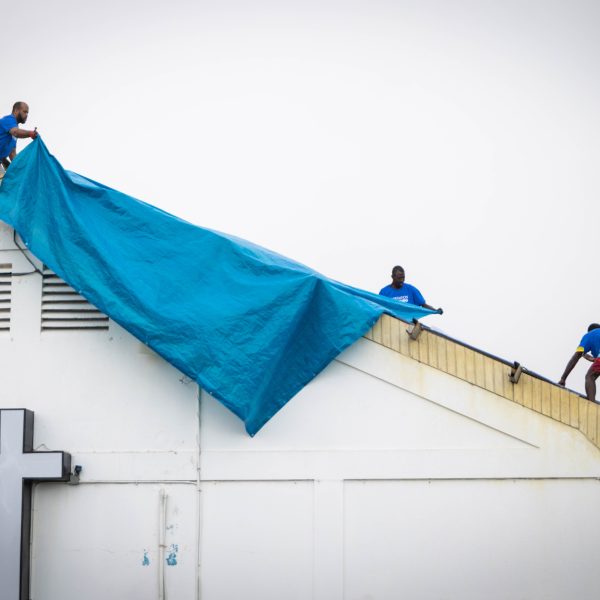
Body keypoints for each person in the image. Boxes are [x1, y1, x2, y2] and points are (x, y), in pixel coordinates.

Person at [559, 323, 600, 402]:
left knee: (590, 377)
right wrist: (592, 358)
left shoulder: (589, 335)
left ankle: (592, 406)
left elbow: (577, 355)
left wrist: (563, 378)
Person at [0, 102, 38, 177]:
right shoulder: (8, 120)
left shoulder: (15, 127)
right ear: (16, 111)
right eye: (24, 112)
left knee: (6, 183)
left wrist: (22, 168)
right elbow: (16, 132)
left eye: (27, 113)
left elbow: (12, 154)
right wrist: (30, 133)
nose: (26, 115)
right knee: (4, 183)